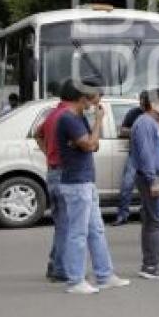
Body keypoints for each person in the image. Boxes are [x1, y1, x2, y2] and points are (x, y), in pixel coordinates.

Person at [57, 80, 130, 295]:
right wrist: (97, 122)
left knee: (96, 230)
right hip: (76, 182)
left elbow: (93, 145)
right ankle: (75, 280)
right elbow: (89, 144)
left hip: (86, 181)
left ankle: (105, 275)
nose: (99, 104)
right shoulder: (68, 119)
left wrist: (88, 139)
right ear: (83, 98)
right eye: (97, 98)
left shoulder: (78, 118)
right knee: (78, 233)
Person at [130, 89, 159, 280]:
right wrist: (153, 180)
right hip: (153, 177)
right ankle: (152, 265)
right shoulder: (145, 123)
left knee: (152, 221)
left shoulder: (151, 123)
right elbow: (145, 154)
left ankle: (150, 263)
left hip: (155, 175)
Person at [34, 80, 73, 283]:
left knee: (61, 225)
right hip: (64, 174)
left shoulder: (52, 115)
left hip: (53, 171)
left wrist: (48, 153)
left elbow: (37, 134)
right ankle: (60, 268)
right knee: (67, 225)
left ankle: (55, 264)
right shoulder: (67, 116)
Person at [113, 92, 147, 227]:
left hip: (150, 154)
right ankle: (123, 214)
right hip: (135, 153)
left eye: (144, 103)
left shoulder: (155, 114)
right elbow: (122, 131)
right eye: (141, 102)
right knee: (127, 185)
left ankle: (146, 214)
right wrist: (137, 130)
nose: (142, 106)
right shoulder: (134, 113)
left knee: (149, 185)